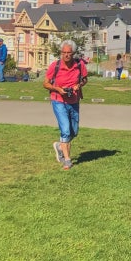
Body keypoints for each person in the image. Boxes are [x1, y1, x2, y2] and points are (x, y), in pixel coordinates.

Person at [45, 40, 88, 170]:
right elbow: (45, 83)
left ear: (73, 53)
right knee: (65, 130)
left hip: (74, 101)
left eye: (69, 53)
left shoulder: (80, 65)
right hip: (58, 100)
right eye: (64, 52)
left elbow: (85, 79)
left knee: (74, 132)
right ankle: (67, 160)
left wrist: (78, 85)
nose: (66, 55)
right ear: (61, 53)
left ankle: (59, 146)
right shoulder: (55, 66)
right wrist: (58, 89)